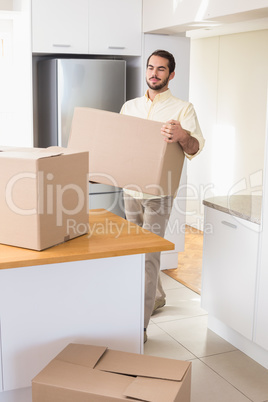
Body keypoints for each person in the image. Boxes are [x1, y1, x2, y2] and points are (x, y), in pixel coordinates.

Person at [120, 49, 205, 342]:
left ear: (171, 74)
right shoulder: (129, 107)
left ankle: (139, 327)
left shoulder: (183, 109)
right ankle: (155, 295)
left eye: (161, 69)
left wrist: (182, 135)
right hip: (130, 190)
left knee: (148, 256)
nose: (154, 74)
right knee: (134, 253)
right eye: (150, 68)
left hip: (159, 193)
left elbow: (194, 148)